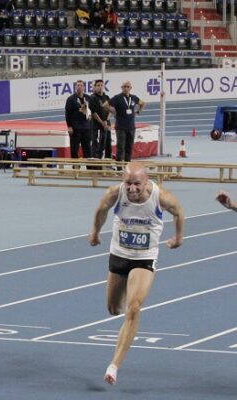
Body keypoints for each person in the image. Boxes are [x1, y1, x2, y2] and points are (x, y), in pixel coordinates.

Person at [88, 161, 183, 386]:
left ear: (146, 181)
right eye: (128, 183)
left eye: (136, 184)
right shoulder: (115, 193)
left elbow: (178, 212)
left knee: (134, 306)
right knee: (113, 309)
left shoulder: (161, 196)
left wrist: (179, 237)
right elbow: (101, 210)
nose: (132, 189)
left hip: (144, 257)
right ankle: (127, 324)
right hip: (119, 255)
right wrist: (95, 232)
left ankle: (114, 366)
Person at [109, 81, 144, 163]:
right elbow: (106, 105)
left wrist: (138, 112)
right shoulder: (117, 98)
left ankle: (127, 165)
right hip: (120, 127)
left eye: (128, 87)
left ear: (130, 88)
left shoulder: (134, 98)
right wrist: (114, 111)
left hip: (131, 127)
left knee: (129, 147)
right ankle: (119, 168)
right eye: (124, 86)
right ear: (121, 88)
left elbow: (143, 103)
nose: (126, 88)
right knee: (120, 147)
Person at [64, 80, 92, 159]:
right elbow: (67, 114)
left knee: (87, 149)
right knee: (74, 149)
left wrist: (90, 117)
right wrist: (69, 126)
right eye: (78, 85)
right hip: (75, 128)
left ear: (84, 87)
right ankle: (75, 168)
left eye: (81, 85)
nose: (79, 87)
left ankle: (89, 168)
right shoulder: (71, 99)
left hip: (86, 128)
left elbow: (91, 110)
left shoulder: (88, 98)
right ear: (75, 87)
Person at [89, 79, 111, 160]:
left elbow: (110, 110)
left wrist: (106, 121)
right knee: (96, 145)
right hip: (97, 126)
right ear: (94, 87)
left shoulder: (107, 97)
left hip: (105, 125)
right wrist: (102, 122)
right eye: (98, 85)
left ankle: (103, 164)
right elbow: (93, 113)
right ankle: (96, 165)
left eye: (102, 85)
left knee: (104, 145)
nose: (100, 87)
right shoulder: (92, 98)